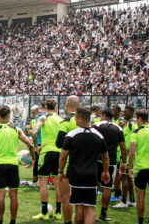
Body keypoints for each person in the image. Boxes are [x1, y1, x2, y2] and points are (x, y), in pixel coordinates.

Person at [59, 107, 110, 224]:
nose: (75, 119)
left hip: (76, 175)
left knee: (79, 207)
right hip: (92, 175)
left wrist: (61, 171)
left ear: (81, 119)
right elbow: (105, 156)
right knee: (90, 207)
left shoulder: (72, 135)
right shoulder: (99, 135)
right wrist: (105, 171)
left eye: (76, 117)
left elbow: (63, 156)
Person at [0, 105, 34, 224]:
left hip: (0, 166)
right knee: (14, 195)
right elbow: (30, 145)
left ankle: (0, 222)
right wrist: (33, 159)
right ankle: (12, 221)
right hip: (13, 166)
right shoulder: (17, 129)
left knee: (0, 197)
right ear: (9, 115)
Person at [31, 99, 63, 220]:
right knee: (57, 183)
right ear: (56, 107)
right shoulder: (61, 119)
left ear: (45, 107)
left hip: (46, 151)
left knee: (43, 183)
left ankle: (44, 212)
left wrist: (35, 148)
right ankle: (58, 212)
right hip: (60, 153)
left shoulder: (43, 117)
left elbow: (35, 132)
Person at [93, 109, 126, 222]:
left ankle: (90, 210)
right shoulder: (118, 128)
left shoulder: (96, 125)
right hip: (111, 161)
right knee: (107, 187)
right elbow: (123, 147)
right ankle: (103, 213)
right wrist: (124, 162)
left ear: (104, 115)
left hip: (96, 159)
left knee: (94, 185)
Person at [55, 95, 80, 224]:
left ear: (66, 105)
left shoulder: (65, 121)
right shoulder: (85, 121)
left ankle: (68, 222)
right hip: (84, 164)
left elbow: (59, 143)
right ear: (79, 106)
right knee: (81, 200)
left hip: (68, 164)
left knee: (66, 197)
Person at [113, 105, 137, 209]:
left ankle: (124, 201)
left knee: (123, 177)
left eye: (126, 112)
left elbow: (137, 133)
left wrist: (131, 148)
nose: (124, 114)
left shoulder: (132, 124)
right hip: (126, 154)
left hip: (127, 155)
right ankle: (131, 200)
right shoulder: (128, 124)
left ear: (131, 113)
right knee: (128, 177)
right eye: (123, 112)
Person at [110, 105, 123, 202]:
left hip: (117, 152)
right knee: (115, 173)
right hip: (114, 151)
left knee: (117, 174)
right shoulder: (112, 121)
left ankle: (118, 192)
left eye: (113, 110)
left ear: (118, 111)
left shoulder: (121, 122)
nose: (112, 111)